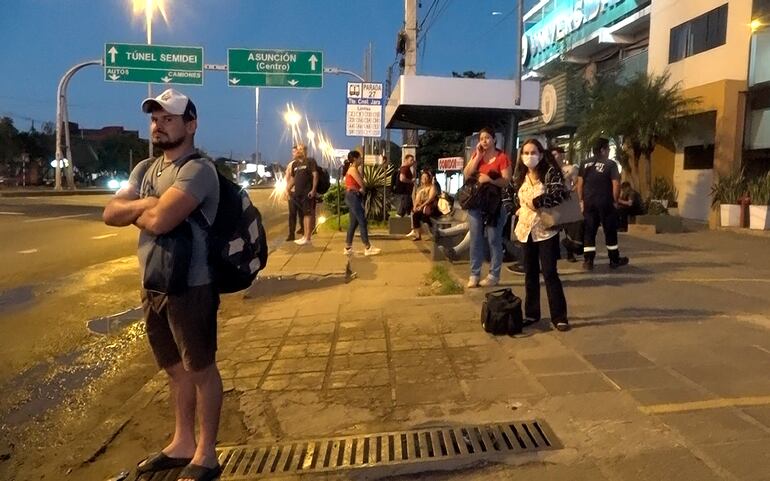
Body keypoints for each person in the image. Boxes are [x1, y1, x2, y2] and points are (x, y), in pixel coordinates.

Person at [102, 88, 223, 481]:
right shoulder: (144, 169)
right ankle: (182, 442)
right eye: (155, 119)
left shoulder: (198, 170)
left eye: (168, 119)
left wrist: (140, 211)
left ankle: (206, 454)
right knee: (175, 369)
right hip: (153, 283)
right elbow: (110, 213)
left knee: (201, 369)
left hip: (192, 285)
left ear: (191, 125)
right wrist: (147, 205)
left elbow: (161, 221)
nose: (158, 125)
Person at [513, 138, 570, 332]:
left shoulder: (550, 172)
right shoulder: (520, 175)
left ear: (540, 154)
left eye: (533, 152)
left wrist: (537, 202)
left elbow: (559, 193)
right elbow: (509, 193)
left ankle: (559, 317)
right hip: (526, 230)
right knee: (530, 273)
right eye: (526, 153)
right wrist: (514, 209)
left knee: (549, 272)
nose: (529, 156)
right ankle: (531, 313)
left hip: (546, 230)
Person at [462, 126, 512, 288]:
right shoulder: (477, 155)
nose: (484, 141)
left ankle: (494, 274)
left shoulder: (502, 157)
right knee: (475, 237)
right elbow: (467, 174)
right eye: (482, 139)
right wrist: (477, 156)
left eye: (487, 138)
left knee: (493, 239)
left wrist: (489, 180)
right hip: (476, 201)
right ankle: (474, 274)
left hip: (495, 203)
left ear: (494, 139)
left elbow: (506, 180)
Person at [577, 137, 630, 270]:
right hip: (606, 202)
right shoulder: (610, 164)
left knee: (589, 231)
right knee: (610, 231)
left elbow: (580, 184)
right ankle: (614, 260)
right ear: (603, 150)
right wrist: (615, 200)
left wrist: (581, 200)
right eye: (608, 149)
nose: (609, 151)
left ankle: (588, 261)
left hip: (589, 203)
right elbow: (616, 184)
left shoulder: (584, 164)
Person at [343, 150, 381, 256]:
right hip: (353, 196)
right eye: (360, 158)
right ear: (355, 159)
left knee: (353, 223)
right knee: (362, 220)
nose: (361, 160)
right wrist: (362, 189)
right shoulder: (352, 169)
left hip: (352, 196)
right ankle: (367, 247)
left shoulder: (352, 168)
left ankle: (348, 247)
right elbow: (361, 183)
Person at [552, 146, 583, 263]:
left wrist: (571, 194)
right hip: (554, 202)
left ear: (561, 155)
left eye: (555, 154)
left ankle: (570, 252)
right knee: (554, 227)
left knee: (569, 228)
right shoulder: (549, 170)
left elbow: (577, 184)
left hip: (567, 201)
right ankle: (555, 252)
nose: (553, 157)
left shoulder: (570, 169)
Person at [286, 143, 319, 246]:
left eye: (300, 149)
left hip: (307, 193)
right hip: (297, 194)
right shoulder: (295, 164)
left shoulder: (310, 161)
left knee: (308, 214)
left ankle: (308, 238)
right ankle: (304, 236)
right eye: (297, 149)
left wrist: (313, 190)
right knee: (304, 215)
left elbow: (315, 175)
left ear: (304, 151)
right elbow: (293, 179)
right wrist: (287, 189)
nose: (297, 151)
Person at [406, 169, 438, 241]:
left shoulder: (432, 187)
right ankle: (418, 235)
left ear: (429, 178)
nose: (424, 178)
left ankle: (431, 233)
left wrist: (421, 206)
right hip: (422, 207)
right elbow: (417, 199)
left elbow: (430, 199)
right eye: (423, 177)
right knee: (415, 215)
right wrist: (415, 207)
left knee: (424, 217)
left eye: (426, 177)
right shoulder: (420, 188)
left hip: (430, 207)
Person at [284, 153, 304, 241]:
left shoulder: (305, 163)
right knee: (293, 214)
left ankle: (303, 230)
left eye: (295, 151)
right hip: (293, 193)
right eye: (293, 152)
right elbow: (289, 178)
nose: (294, 153)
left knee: (301, 213)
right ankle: (291, 234)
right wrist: (287, 190)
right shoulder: (292, 164)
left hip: (300, 193)